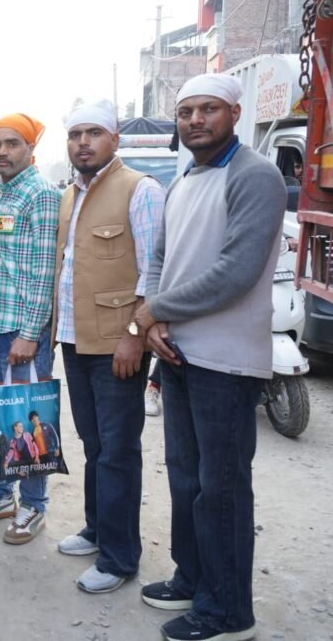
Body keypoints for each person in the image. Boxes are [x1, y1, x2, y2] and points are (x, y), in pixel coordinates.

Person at [134, 74, 284, 641]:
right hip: (178, 352)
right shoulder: (184, 180)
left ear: (234, 113)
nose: (196, 119)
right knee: (186, 479)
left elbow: (235, 273)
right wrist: (152, 319)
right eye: (186, 111)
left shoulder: (255, 176)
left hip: (226, 360)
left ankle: (227, 613)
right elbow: (160, 260)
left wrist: (153, 312)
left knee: (220, 488)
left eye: (209, 109)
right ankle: (192, 578)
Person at [53, 99, 164, 594]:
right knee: (95, 445)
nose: (83, 143)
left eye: (93, 133)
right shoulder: (69, 196)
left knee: (118, 450)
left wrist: (134, 337)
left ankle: (120, 558)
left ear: (114, 140)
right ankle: (97, 530)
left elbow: (154, 272)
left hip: (118, 345)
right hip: (75, 340)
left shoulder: (140, 189)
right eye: (75, 135)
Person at [0, 112, 59, 545]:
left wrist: (30, 333)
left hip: (22, 333)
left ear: (31, 148)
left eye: (12, 144)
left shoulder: (41, 194)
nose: (2, 152)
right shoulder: (2, 193)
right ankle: (0, 494)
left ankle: (34, 504)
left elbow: (44, 271)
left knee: (29, 420)